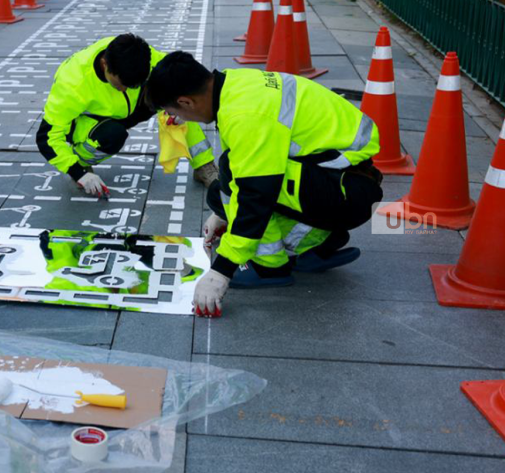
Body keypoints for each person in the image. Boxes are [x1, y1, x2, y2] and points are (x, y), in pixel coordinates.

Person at [145, 55, 384, 316]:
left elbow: (255, 196)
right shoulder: (233, 84)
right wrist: (223, 212)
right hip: (339, 176)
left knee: (241, 182)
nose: (179, 119)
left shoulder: (245, 115)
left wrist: (221, 271)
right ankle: (318, 242)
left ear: (186, 102)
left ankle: (270, 268)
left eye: (174, 112)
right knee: (222, 187)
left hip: (348, 192)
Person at [37, 34, 216, 198]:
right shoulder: (72, 83)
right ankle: (82, 162)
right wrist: (77, 172)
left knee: (177, 95)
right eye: (119, 85)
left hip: (134, 107)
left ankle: (204, 165)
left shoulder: (141, 55)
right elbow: (47, 137)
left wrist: (178, 109)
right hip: (94, 121)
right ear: (105, 64)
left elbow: (184, 77)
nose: (124, 89)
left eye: (131, 86)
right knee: (112, 135)